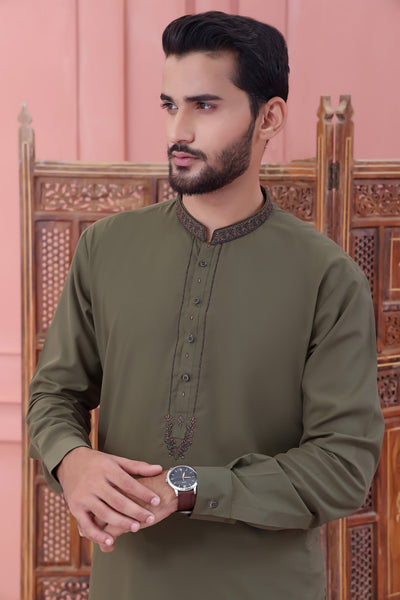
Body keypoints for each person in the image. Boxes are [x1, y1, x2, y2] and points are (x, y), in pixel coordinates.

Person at [27, 11, 384, 600]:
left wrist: (188, 487)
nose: (179, 129)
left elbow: (343, 466)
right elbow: (52, 394)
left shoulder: (327, 276)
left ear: (269, 117)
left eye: (205, 106)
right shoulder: (105, 248)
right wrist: (71, 459)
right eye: (170, 105)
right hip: (128, 583)